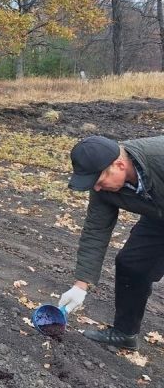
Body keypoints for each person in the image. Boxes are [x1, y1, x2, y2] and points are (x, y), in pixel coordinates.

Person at [58, 135, 164, 351]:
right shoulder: (103, 190)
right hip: (158, 216)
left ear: (119, 165)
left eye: (99, 181)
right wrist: (81, 285)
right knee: (131, 264)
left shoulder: (159, 157)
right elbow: (95, 231)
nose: (96, 188)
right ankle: (124, 333)